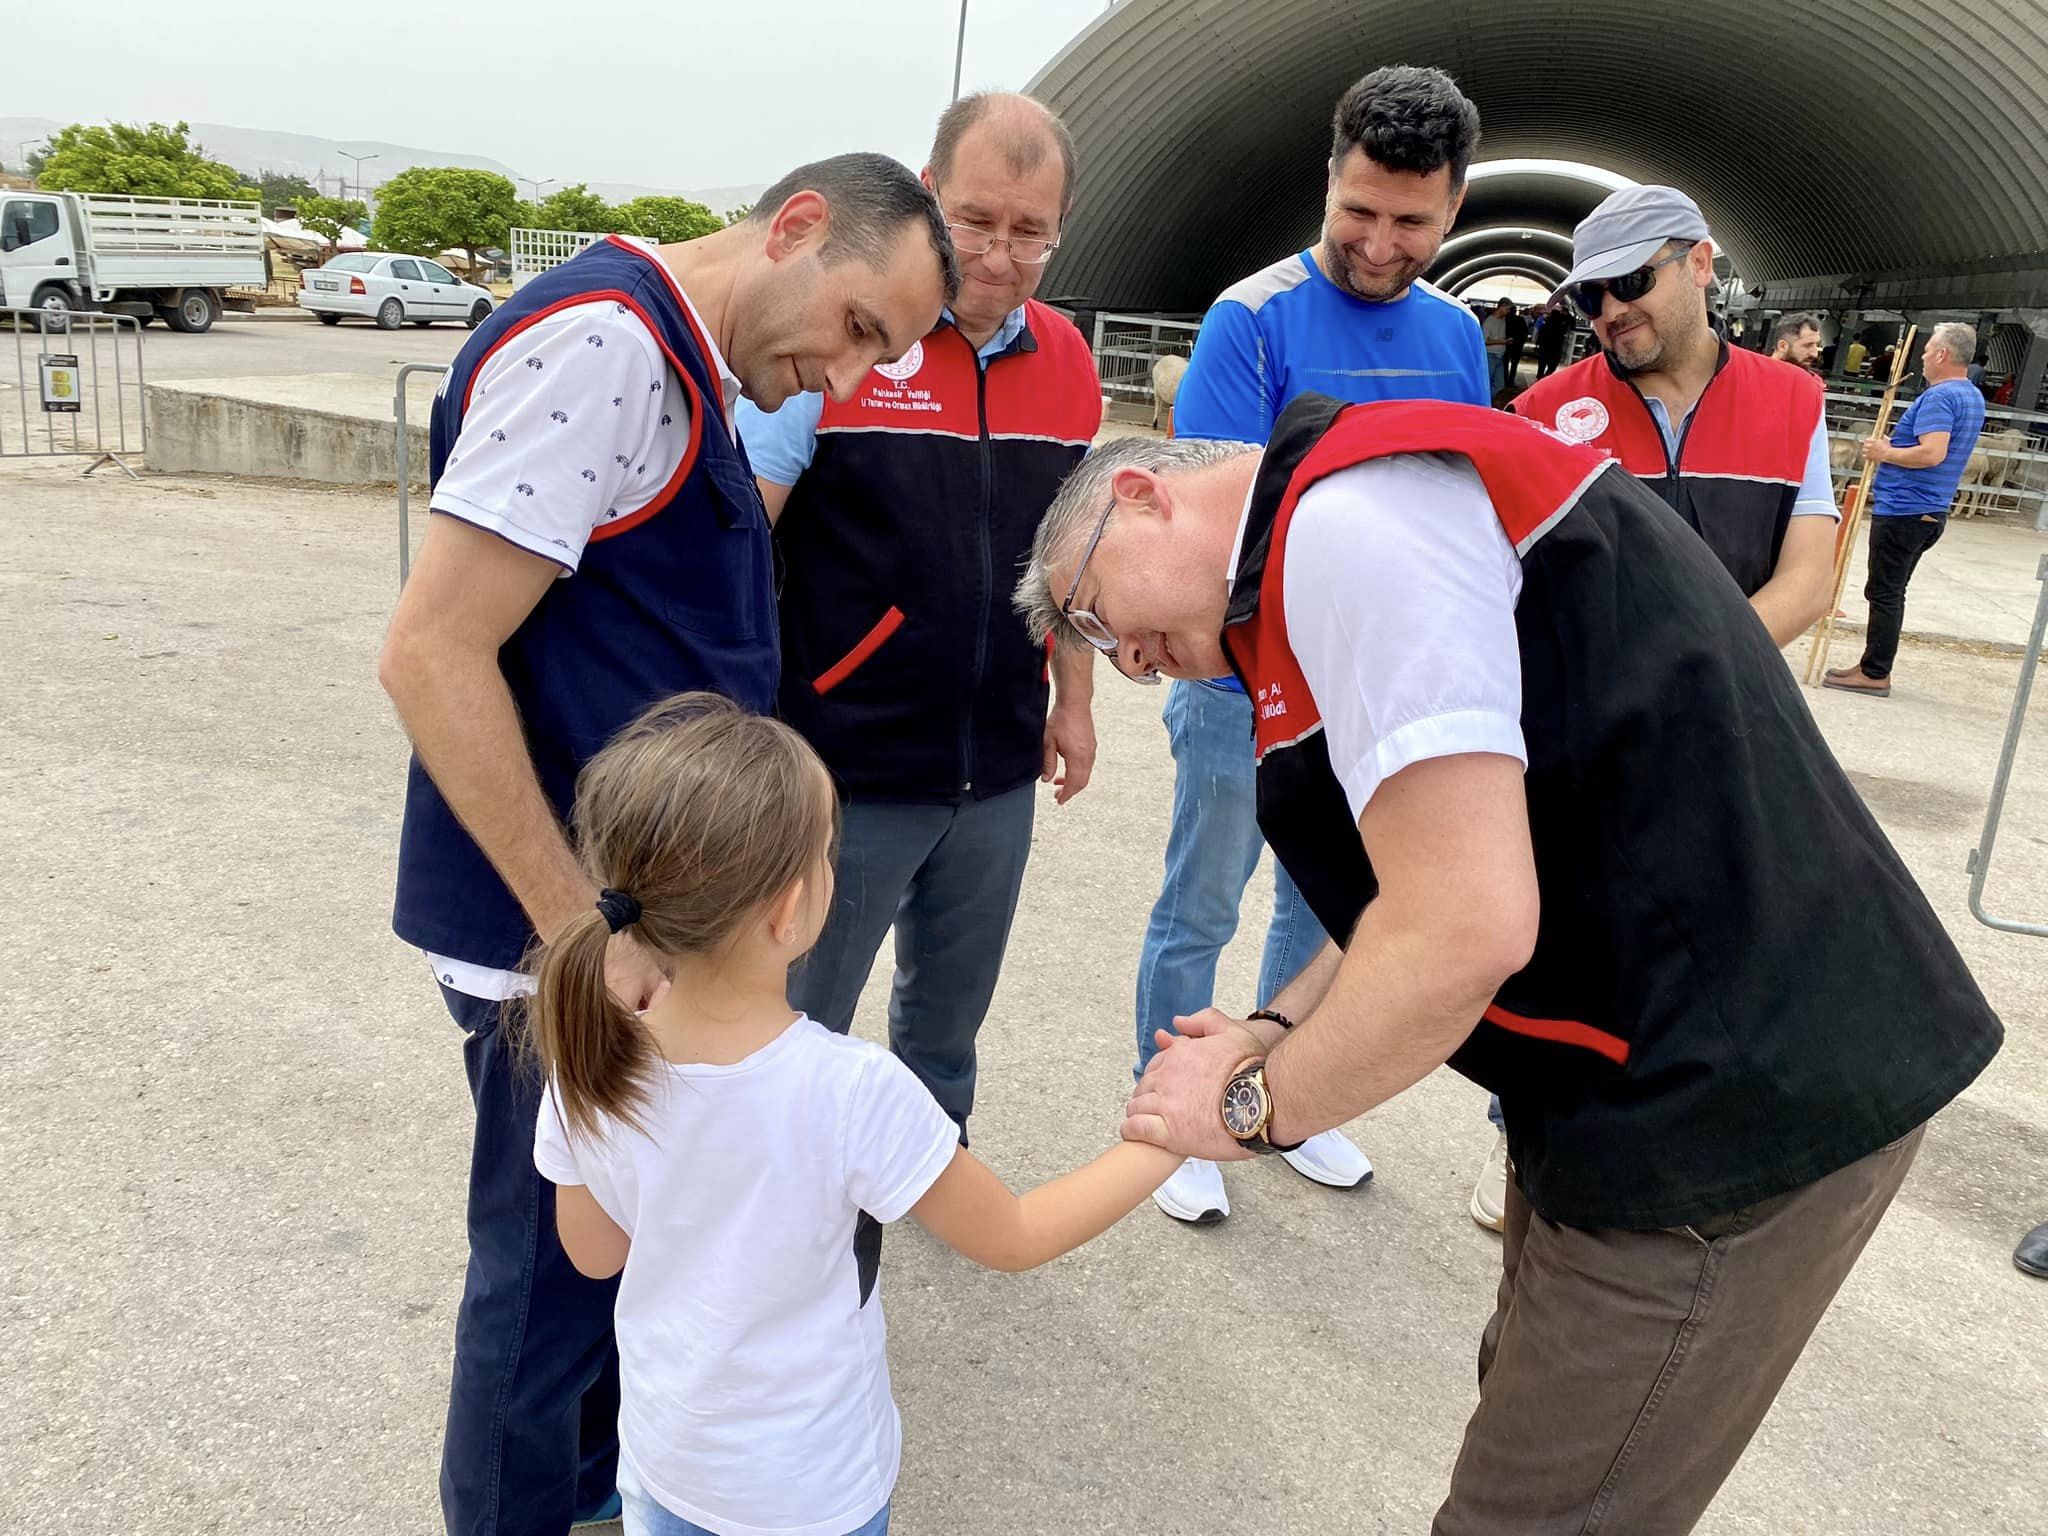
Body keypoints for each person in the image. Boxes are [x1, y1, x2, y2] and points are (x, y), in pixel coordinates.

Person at [1013, 404, 2001, 1536]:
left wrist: (1253, 1107)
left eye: (1093, 615)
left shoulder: (1348, 524)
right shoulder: (1338, 529)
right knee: (1532, 1435)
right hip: (1642, 1068)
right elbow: (1422, 875)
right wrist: (1275, 1029)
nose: (1126, 660)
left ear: (1143, 496)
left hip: (1725, 1101)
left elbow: (1460, 929)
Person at [379, 155, 957, 1536]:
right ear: (797, 228)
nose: (845, 381)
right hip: (565, 946)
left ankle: (592, 1500)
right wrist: (584, 935)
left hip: (625, 937)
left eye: (880, 357)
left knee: (607, 1274)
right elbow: (432, 651)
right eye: (857, 328)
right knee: (539, 1300)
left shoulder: (681, 362)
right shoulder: (605, 345)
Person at [527, 693, 1178, 1536]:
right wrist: (1166, 1142)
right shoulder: (851, 1091)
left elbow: (594, 1253)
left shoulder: (591, 1059)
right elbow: (1013, 1235)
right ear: (789, 908)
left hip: (667, 1469)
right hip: (813, 1490)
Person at [1133, 62, 1489, 1224]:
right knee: (1202, 898)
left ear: (1453, 208)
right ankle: (1169, 1114)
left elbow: (1457, 503)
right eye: (1358, 211)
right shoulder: (1251, 318)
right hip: (1243, 679)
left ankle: (1281, 1096)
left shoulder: (1455, 335)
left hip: (1371, 684)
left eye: (1411, 222)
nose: (1379, 244)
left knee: (1323, 900)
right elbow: (1219, 529)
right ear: (1327, 179)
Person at [740, 93, 1101, 1139]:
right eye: (976, 221)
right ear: (928, 193)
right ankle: (787, 1186)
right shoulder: (849, 333)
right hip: (841, 767)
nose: (998, 256)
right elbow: (742, 538)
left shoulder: (1069, 364)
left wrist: (1073, 704)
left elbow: (1074, 561)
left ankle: (927, 1157)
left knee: (947, 1022)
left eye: (1030, 232)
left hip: (995, 770)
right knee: (799, 1008)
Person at [1496, 184, 1839, 1229]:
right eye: (1589, 297)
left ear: (1698, 262)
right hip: (1584, 748)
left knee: (1711, 945)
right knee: (1564, 956)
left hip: (1729, 732)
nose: (1609, 311)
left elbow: (1808, 577)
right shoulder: (1545, 414)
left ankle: (1693, 1163)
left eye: (1629, 283)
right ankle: (1525, 1144)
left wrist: (1693, 670)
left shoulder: (1793, 403)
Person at [1825, 322, 1988, 698]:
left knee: (1884, 591)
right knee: (1890, 590)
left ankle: (1875, 672)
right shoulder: (1970, 395)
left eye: (1928, 350)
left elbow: (1932, 453)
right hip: (1928, 509)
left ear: (1942, 355)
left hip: (1907, 508)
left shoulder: (1940, 397)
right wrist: (1896, 445)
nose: (1924, 357)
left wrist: (1886, 452)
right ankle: (1872, 663)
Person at [1482, 297, 1512, 397]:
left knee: (1500, 385)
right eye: (1507, 309)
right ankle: (1483, 401)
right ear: (1502, 306)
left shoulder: (1502, 320)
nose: (1508, 311)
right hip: (1490, 355)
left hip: (1499, 355)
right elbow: (1484, 340)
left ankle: (1486, 401)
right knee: (1486, 383)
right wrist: (1502, 341)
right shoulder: (1489, 321)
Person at [1532, 303, 1571, 378]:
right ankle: (1547, 376)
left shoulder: (1546, 324)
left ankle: (1540, 376)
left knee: (1542, 364)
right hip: (1555, 349)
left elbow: (1541, 335)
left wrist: (1537, 343)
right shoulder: (1560, 326)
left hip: (1544, 348)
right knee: (1552, 365)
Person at [1501, 302, 1528, 392]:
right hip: (1517, 346)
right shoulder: (1520, 319)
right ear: (1515, 311)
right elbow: (1525, 333)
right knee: (1514, 364)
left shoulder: (1504, 319)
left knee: (1504, 364)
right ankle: (1511, 381)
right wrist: (1521, 342)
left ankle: (1504, 380)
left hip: (1506, 345)